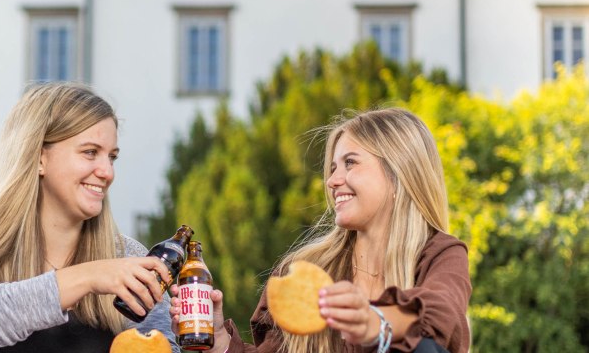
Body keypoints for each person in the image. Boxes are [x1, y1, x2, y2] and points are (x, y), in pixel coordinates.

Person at [170, 107, 472, 353]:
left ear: (399, 174)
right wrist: (220, 341)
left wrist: (376, 322)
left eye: (350, 163)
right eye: (332, 168)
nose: (332, 181)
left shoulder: (440, 254)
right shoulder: (304, 271)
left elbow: (441, 315)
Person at [0, 82, 180, 353]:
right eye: (90, 152)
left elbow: (160, 346)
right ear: (39, 158)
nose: (107, 172)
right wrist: (90, 276)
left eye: (111, 157)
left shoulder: (125, 254)